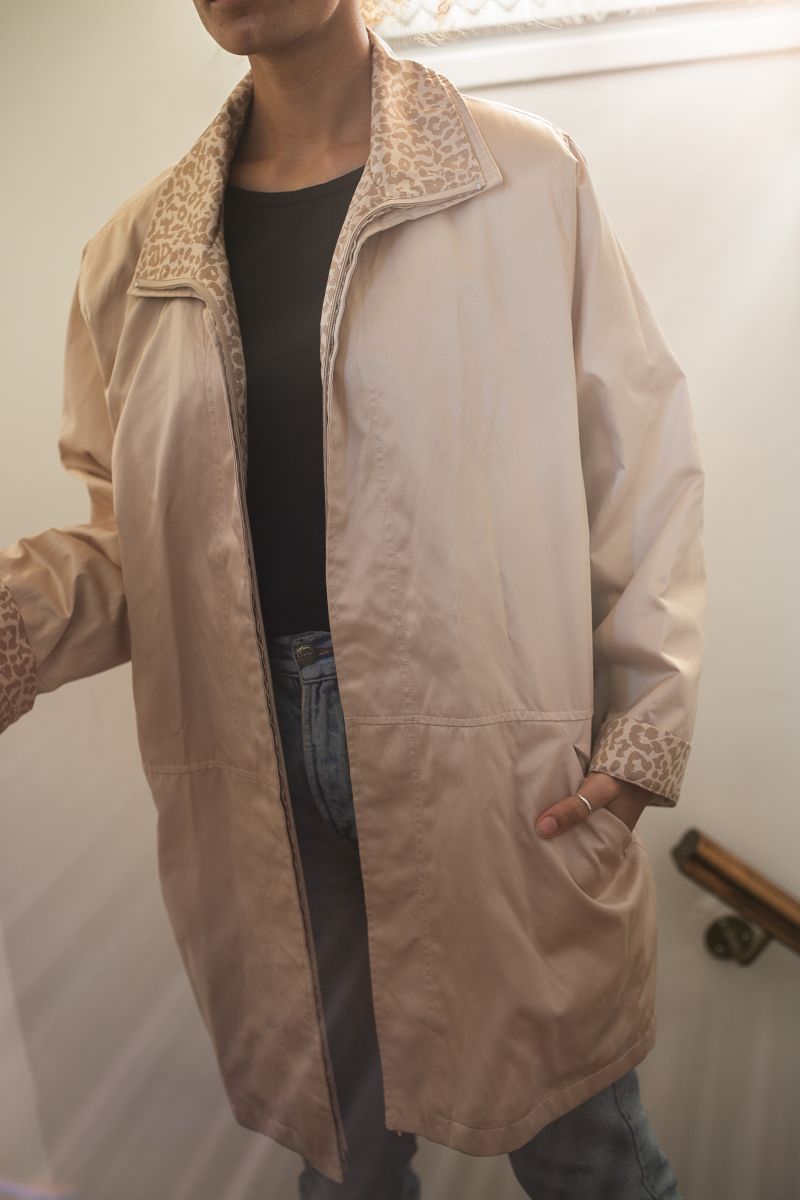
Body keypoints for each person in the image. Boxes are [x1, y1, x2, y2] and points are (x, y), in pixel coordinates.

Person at [0, 1, 706, 1196]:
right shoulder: (134, 255)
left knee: (584, 1149)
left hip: (483, 752)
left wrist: (643, 730)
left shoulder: (521, 178)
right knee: (342, 1157)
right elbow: (137, 543)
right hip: (248, 763)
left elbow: (635, 462)